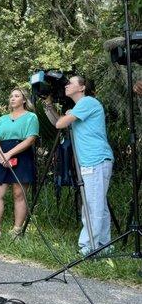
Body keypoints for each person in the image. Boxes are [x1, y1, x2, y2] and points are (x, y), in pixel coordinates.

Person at [44, 76, 114, 255]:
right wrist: (48, 105)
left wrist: (64, 115)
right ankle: (104, 245)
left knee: (92, 205)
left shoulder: (88, 102)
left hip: (96, 159)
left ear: (82, 88)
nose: (66, 85)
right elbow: (58, 123)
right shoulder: (79, 107)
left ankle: (88, 247)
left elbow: (60, 123)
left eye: (71, 83)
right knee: (99, 204)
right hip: (93, 160)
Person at [0, 88, 39, 238]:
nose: (12, 98)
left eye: (16, 96)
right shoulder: (3, 118)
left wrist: (10, 154)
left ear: (24, 100)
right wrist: (1, 155)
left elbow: (31, 139)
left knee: (19, 194)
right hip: (2, 155)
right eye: (11, 96)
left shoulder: (31, 117)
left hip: (22, 154)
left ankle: (17, 231)